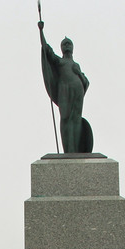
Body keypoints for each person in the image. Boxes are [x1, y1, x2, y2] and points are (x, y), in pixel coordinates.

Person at [39, 18, 91, 153]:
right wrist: (41, 31)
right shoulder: (60, 61)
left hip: (77, 91)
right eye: (64, 44)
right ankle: (69, 150)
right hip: (64, 90)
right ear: (61, 48)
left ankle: (76, 150)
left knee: (76, 119)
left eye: (69, 44)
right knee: (66, 118)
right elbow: (47, 50)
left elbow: (86, 82)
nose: (67, 46)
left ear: (73, 47)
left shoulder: (76, 65)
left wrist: (79, 74)